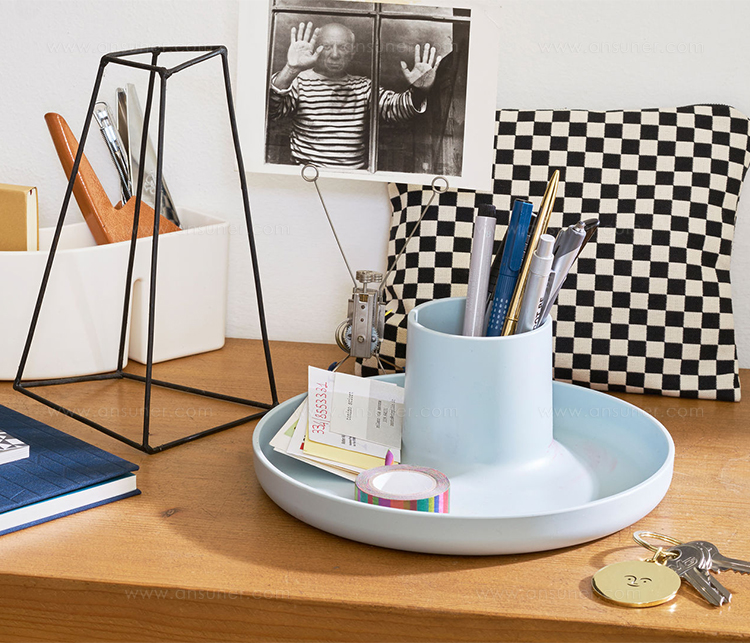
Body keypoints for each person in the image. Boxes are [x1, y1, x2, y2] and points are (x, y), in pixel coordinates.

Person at [268, 21, 442, 169]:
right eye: (327, 47)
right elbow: (271, 111)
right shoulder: (299, 82)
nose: (335, 55)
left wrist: (419, 89)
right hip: (309, 178)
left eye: (343, 47)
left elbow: (396, 109)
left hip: (353, 179)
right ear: (315, 49)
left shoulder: (363, 87)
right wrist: (291, 69)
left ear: (352, 53)